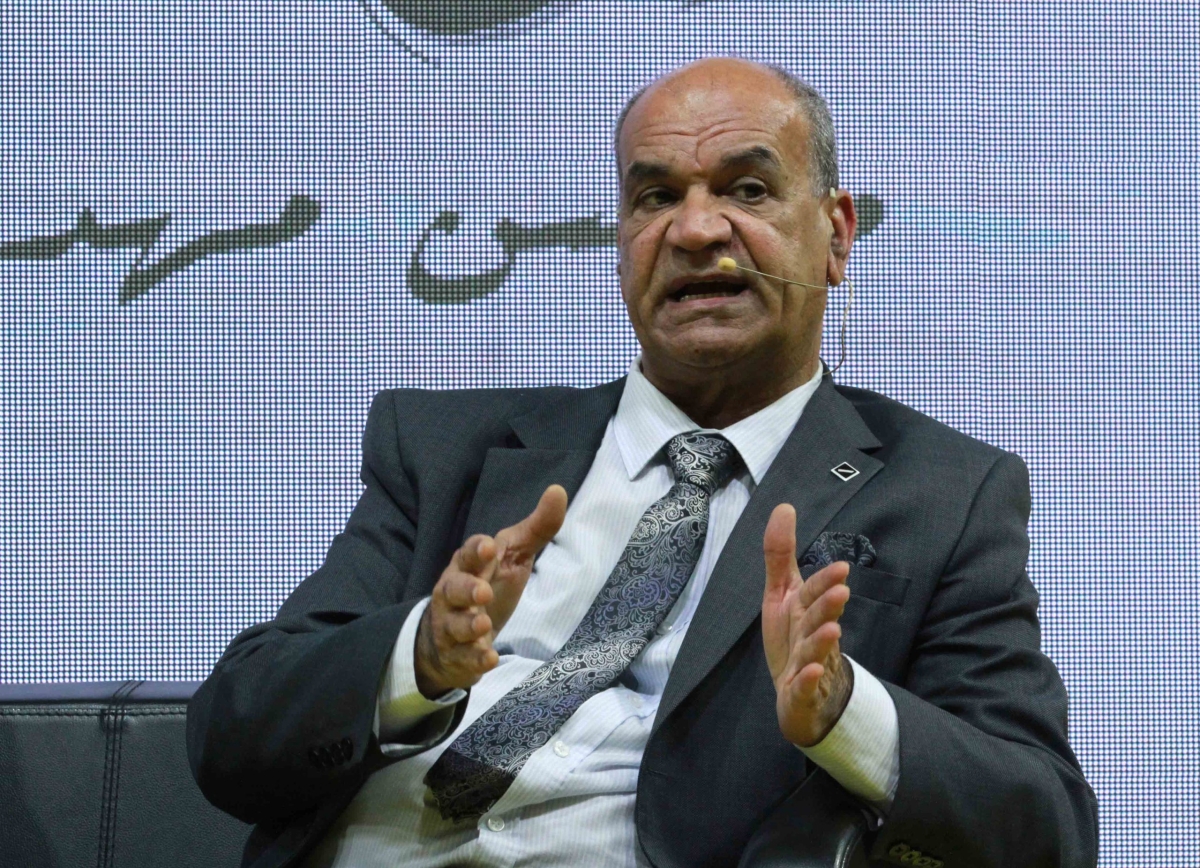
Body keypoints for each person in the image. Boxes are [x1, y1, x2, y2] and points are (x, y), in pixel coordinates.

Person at [187, 57, 1099, 867]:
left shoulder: (941, 492)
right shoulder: (446, 448)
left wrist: (843, 712)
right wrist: (418, 655)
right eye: (656, 198)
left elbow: (1046, 825)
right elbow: (232, 731)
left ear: (837, 233)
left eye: (747, 190)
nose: (695, 231)